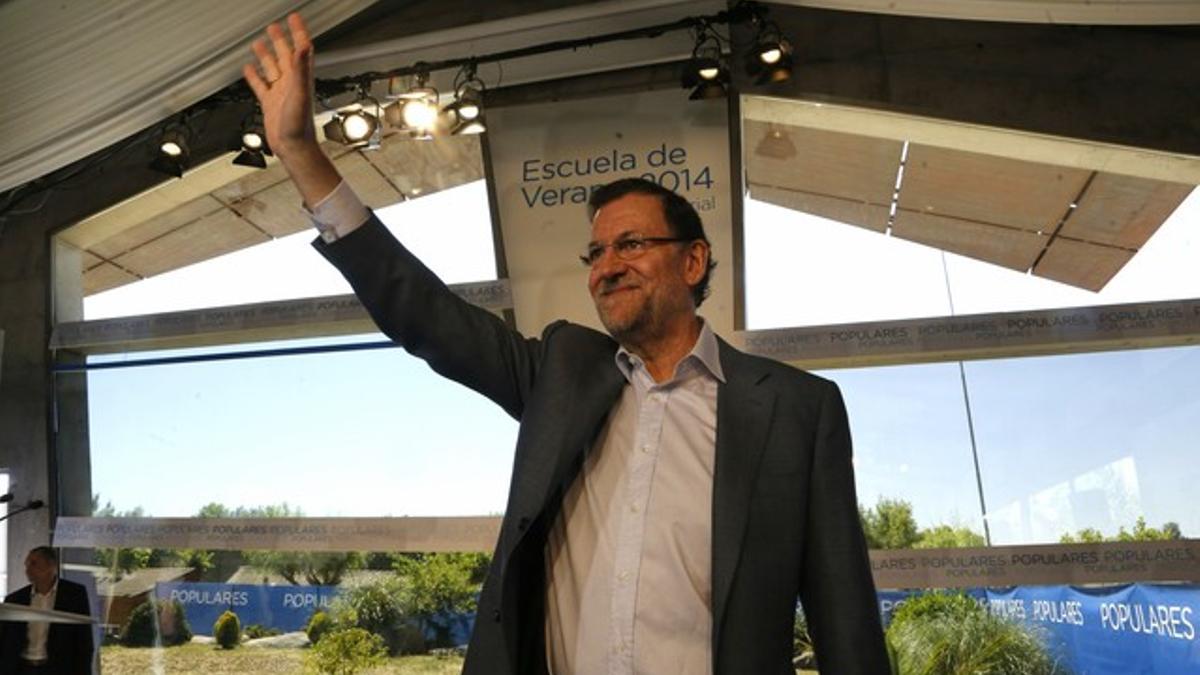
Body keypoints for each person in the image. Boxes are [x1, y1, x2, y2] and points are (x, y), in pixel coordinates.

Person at [244, 14, 887, 674]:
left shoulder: (797, 409)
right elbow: (426, 314)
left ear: (693, 262)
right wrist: (301, 151)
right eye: (596, 251)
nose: (606, 265)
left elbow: (847, 621)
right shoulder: (561, 371)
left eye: (632, 244)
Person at [0, 547, 94, 674]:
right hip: (22, 668)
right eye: (26, 565)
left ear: (51, 565)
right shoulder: (15, 599)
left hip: (58, 668)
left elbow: (84, 640)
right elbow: (4, 640)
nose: (28, 570)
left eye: (34, 563)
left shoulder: (74, 595)